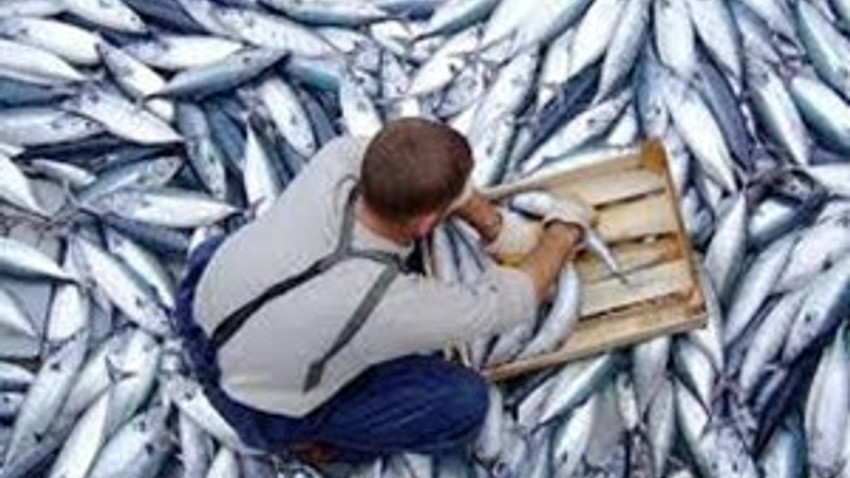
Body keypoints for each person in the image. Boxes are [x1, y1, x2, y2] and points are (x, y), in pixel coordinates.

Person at [173, 117, 594, 465]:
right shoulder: (385, 303)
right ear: (426, 223)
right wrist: (563, 232)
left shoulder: (337, 158)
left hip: (199, 305)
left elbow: (424, 172)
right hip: (259, 404)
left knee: (227, 250)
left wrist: (495, 229)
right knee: (463, 403)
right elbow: (513, 302)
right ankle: (312, 445)